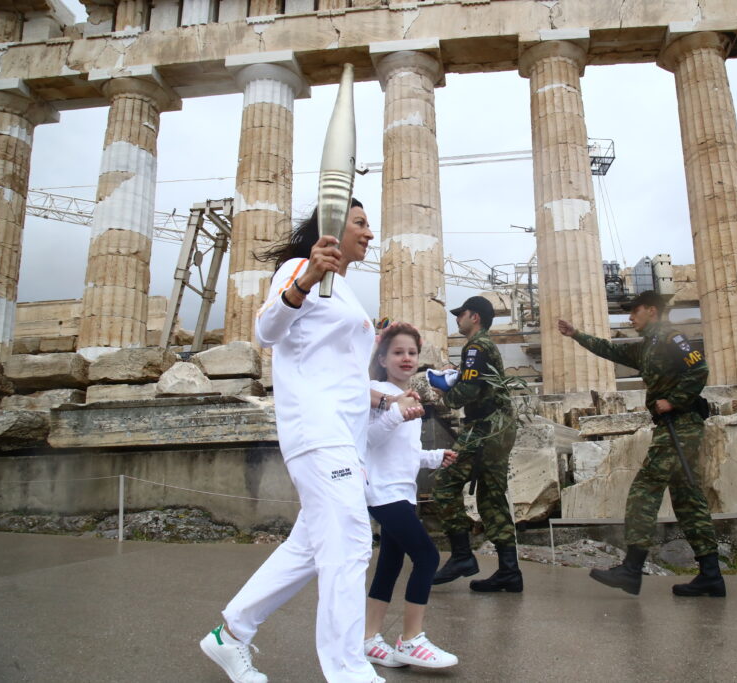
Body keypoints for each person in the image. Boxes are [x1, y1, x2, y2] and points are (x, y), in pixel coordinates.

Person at [199, 200, 399, 683]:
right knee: (350, 545)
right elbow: (267, 330)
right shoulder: (297, 269)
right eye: (360, 223)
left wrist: (380, 401)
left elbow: (336, 370)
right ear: (332, 228)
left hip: (342, 438)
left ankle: (230, 634)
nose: (370, 232)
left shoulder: (347, 290)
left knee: (308, 548)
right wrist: (306, 278)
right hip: (316, 429)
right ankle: (349, 672)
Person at [558, 290, 724, 598]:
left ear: (652, 310)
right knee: (689, 501)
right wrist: (576, 334)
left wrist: (673, 401)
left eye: (634, 311)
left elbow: (699, 369)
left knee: (644, 489)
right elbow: (609, 350)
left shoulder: (672, 338)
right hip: (673, 429)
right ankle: (711, 575)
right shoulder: (649, 346)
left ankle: (632, 569)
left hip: (681, 425)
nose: (630, 317)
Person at [362, 322, 459, 670]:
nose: (406, 358)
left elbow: (404, 452)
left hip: (402, 492)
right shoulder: (374, 391)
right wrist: (396, 413)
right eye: (398, 352)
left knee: (390, 563)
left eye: (412, 353)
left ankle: (370, 638)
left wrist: (434, 457)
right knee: (428, 557)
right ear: (383, 358)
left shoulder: (410, 395)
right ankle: (411, 639)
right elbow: (367, 441)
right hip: (381, 492)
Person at [430, 295, 522, 593]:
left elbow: (468, 390)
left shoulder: (476, 346)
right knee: (492, 498)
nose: (457, 318)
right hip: (499, 427)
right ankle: (510, 572)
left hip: (485, 428)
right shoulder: (483, 346)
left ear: (476, 317)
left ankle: (461, 556)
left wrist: (443, 395)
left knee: (444, 483)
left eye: (462, 313)